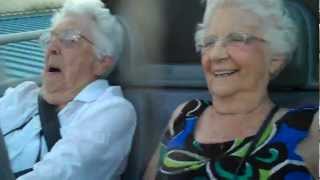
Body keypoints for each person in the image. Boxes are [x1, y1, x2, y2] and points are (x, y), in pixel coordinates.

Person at [144, 0, 318, 179]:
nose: (216, 55)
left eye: (236, 39)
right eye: (209, 42)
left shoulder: (310, 126)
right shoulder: (186, 114)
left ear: (275, 58)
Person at [0, 0, 136, 179]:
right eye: (50, 39)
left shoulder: (112, 111)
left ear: (102, 62)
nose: (52, 48)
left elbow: (59, 174)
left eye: (68, 39)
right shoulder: (22, 95)